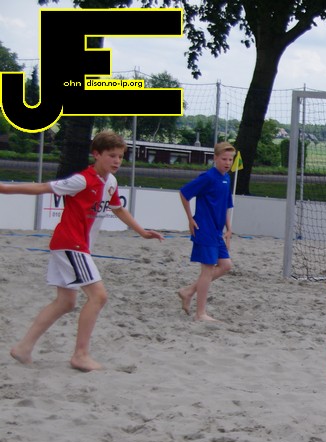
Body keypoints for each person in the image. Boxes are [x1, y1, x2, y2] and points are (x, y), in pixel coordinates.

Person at [2, 130, 164, 372]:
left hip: (73, 246)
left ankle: (23, 348)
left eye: (120, 156)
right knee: (99, 296)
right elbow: (44, 187)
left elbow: (118, 209)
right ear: (96, 154)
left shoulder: (110, 182)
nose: (117, 161)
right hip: (71, 244)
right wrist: (5, 189)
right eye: (111, 155)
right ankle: (80, 355)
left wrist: (142, 231)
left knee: (65, 302)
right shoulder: (81, 180)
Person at [176, 142, 236, 322]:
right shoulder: (208, 177)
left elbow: (226, 206)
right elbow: (184, 193)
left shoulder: (226, 178)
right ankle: (200, 313)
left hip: (217, 231)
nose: (227, 163)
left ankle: (188, 291)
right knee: (207, 270)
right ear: (215, 158)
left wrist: (229, 228)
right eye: (224, 159)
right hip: (204, 228)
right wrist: (190, 218)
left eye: (230, 160)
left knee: (226, 265)